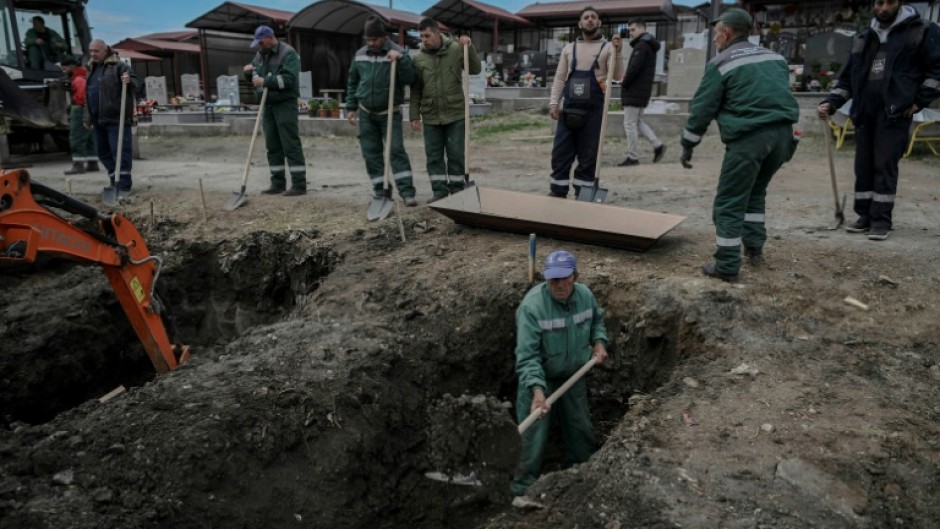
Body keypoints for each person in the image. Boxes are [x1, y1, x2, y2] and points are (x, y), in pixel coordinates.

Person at [680, 8, 799, 281]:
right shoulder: (776, 58)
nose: (714, 39)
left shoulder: (720, 63)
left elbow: (702, 109)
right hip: (783, 137)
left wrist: (688, 143)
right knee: (755, 191)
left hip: (750, 139)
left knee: (729, 201)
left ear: (726, 33)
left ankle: (726, 265)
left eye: (716, 33)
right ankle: (754, 249)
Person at [817, 0, 940, 241]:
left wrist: (919, 101)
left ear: (899, 3)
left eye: (889, 2)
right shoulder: (864, 36)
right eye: (879, 2)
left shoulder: (921, 31)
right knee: (863, 166)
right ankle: (864, 215)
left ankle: (881, 220)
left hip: (894, 112)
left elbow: (937, 70)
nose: (883, 8)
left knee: (884, 166)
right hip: (865, 112)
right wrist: (831, 103)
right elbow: (848, 79)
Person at [511, 249, 608, 497]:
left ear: (575, 276)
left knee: (580, 431)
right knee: (531, 440)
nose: (559, 284)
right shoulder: (532, 307)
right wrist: (537, 390)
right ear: (546, 278)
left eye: (564, 278)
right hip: (539, 381)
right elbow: (528, 356)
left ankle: (583, 479)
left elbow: (597, 321)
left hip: (573, 377)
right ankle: (522, 491)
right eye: (553, 279)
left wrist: (599, 342)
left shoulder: (585, 296)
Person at [548, 7, 623, 198]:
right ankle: (557, 193)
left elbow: (617, 76)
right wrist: (554, 103)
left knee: (589, 156)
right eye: (586, 17)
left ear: (599, 23)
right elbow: (560, 78)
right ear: (580, 24)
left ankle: (584, 194)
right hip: (568, 110)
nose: (590, 20)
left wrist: (618, 53)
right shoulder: (568, 49)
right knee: (561, 153)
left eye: (593, 17)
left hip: (593, 112)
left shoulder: (608, 48)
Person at [346, 17, 418, 207]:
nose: (371, 43)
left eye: (374, 39)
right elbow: (353, 82)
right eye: (368, 40)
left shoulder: (399, 52)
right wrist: (351, 107)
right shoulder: (360, 55)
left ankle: (407, 192)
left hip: (389, 112)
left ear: (384, 37)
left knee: (396, 150)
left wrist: (401, 60)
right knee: (370, 153)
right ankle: (381, 190)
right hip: (366, 113)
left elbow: (410, 78)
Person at [410, 18, 481, 204]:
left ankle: (457, 191)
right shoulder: (418, 58)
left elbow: (475, 69)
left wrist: (469, 47)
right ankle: (439, 191)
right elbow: (416, 89)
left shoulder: (456, 49)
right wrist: (414, 114)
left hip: (455, 113)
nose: (424, 40)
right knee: (433, 157)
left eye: (427, 36)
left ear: (437, 33)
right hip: (431, 115)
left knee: (456, 154)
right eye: (421, 36)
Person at [243, 25, 307, 196]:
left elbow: (289, 79)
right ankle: (277, 183)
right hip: (268, 105)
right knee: (272, 146)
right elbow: (255, 78)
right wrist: (248, 74)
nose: (259, 46)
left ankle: (299, 184)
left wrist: (266, 82)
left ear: (270, 38)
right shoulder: (260, 55)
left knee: (290, 144)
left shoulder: (288, 53)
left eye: (261, 42)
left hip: (285, 104)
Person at [84, 40, 141, 193]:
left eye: (96, 51)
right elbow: (89, 94)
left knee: (120, 152)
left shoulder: (119, 66)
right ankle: (113, 179)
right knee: (102, 152)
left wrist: (129, 81)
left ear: (106, 50)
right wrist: (87, 116)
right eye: (91, 51)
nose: (93, 54)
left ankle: (123, 185)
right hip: (97, 119)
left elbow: (137, 84)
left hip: (116, 118)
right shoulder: (91, 68)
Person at [618, 19, 665, 167]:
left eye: (633, 29)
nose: (631, 33)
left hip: (635, 90)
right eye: (630, 30)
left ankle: (633, 157)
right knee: (637, 121)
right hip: (642, 90)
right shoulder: (648, 45)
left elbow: (634, 68)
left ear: (642, 29)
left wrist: (624, 82)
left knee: (630, 123)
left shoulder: (642, 46)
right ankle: (657, 145)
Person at [60, 56, 97, 175]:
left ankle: (78, 165)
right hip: (87, 110)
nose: (64, 71)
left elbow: (82, 97)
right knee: (89, 137)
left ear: (71, 67)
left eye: (64, 68)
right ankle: (93, 163)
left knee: (76, 137)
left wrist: (74, 104)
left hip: (79, 110)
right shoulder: (85, 76)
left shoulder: (78, 80)